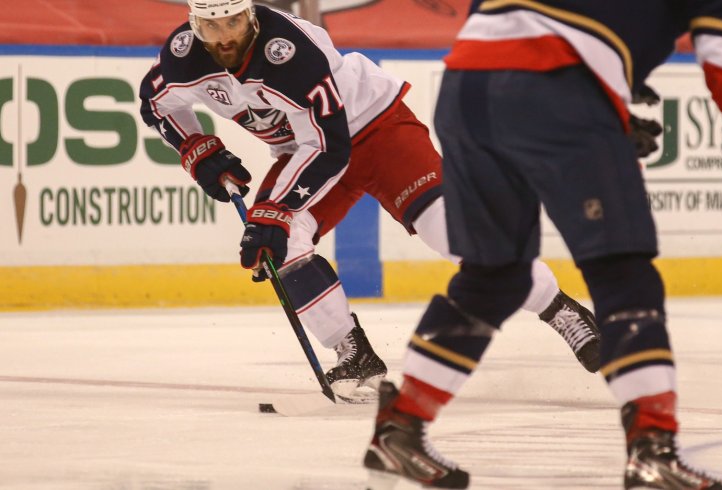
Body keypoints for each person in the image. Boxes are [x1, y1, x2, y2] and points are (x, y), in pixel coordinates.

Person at [362, 0, 722, 488]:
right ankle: (653, 450)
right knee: (621, 269)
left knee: (494, 274)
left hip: (466, 85)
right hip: (557, 80)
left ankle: (399, 426)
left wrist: (600, 100)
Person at [138, 0, 602, 401]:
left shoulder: (289, 51)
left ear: (251, 16)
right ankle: (353, 353)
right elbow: (156, 101)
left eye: (233, 22)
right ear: (194, 22)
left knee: (451, 234)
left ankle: (560, 309)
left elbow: (332, 147)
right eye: (211, 25)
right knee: (279, 245)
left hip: (377, 131)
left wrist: (275, 210)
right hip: (305, 150)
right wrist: (197, 149)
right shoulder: (184, 55)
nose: (223, 37)